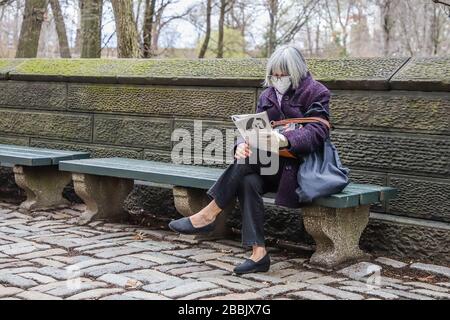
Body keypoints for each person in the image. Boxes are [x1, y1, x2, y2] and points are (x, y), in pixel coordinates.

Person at [169, 44, 331, 274]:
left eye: (282, 75)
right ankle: (259, 254)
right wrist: (241, 145)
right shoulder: (267, 95)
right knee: (247, 179)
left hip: (299, 170)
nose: (277, 79)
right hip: (269, 166)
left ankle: (208, 214)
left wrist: (285, 140)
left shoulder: (316, 92)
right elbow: (251, 129)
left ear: (296, 72)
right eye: (273, 74)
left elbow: (318, 132)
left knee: (248, 166)